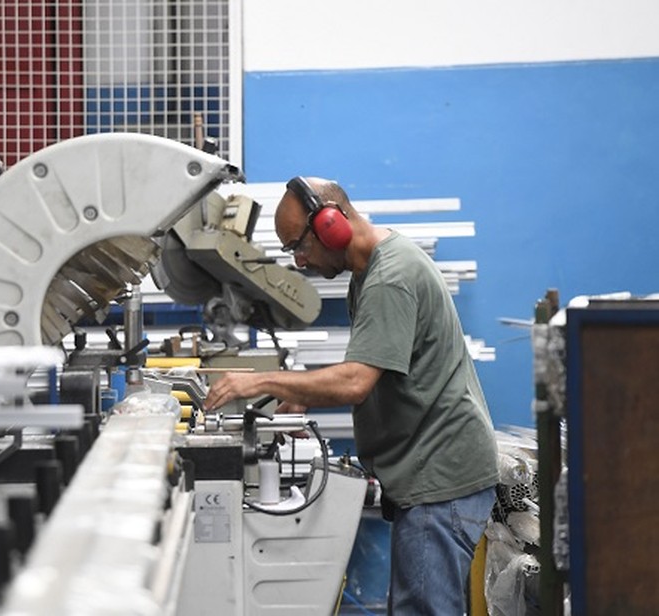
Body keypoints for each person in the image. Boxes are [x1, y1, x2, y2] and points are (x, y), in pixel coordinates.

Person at [203, 176, 499, 615]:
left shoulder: (389, 278)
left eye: (298, 246)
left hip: (440, 478)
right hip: (427, 473)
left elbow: (356, 380)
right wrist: (304, 394)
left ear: (331, 225)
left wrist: (264, 382)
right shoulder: (368, 273)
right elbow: (371, 369)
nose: (300, 262)